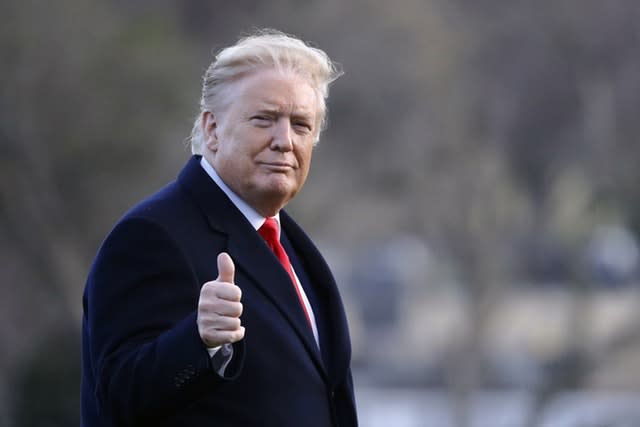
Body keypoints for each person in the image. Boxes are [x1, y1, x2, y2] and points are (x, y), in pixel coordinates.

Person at [81, 29, 358, 426]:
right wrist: (199, 342)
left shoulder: (292, 245)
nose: (284, 140)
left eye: (300, 125)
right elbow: (116, 398)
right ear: (211, 129)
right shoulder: (151, 235)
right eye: (264, 119)